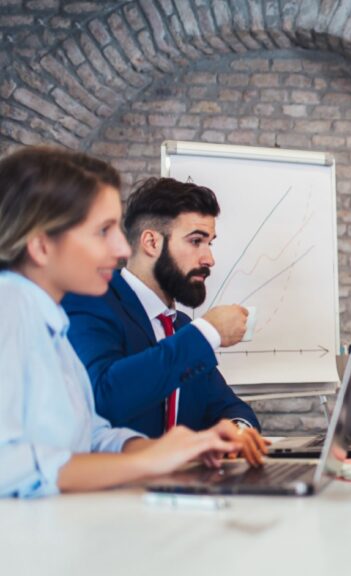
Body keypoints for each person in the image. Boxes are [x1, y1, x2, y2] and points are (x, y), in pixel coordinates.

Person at [0, 146, 245, 498]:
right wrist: (146, 464)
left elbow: (91, 435)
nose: (121, 249)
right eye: (103, 231)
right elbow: (10, 465)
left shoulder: (47, 321)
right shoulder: (9, 304)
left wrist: (173, 449)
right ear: (40, 246)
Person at [62, 177, 267, 464]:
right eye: (196, 241)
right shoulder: (91, 301)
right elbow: (103, 398)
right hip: (115, 494)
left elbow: (229, 406)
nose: (209, 258)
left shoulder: (180, 326)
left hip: (184, 494)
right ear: (151, 242)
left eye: (210, 243)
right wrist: (209, 332)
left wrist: (237, 431)